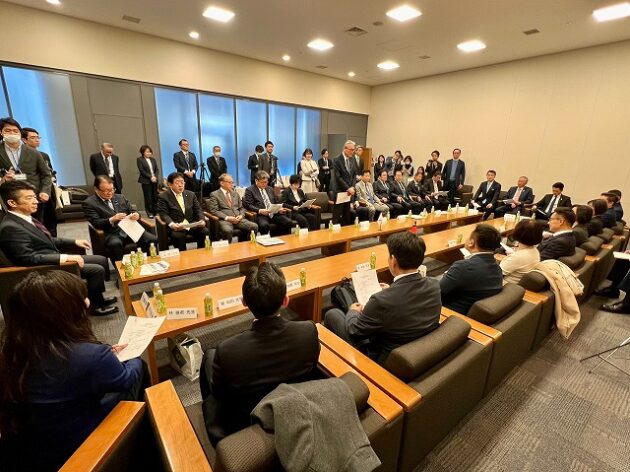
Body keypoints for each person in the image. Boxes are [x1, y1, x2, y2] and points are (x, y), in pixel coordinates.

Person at [0, 271, 146, 472]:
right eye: (81, 298)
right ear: (63, 311)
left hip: (29, 450)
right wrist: (135, 355)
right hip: (78, 449)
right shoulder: (90, 356)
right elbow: (126, 378)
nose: (87, 302)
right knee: (139, 371)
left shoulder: (13, 352)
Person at [199, 262, 320, 443]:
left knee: (209, 356)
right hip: (294, 406)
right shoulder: (308, 331)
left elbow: (219, 394)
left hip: (249, 420)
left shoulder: (227, 350)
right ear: (285, 300)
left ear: (244, 302)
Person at [0, 180, 116, 316]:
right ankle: (95, 307)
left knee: (101, 260)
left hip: (50, 258)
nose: (35, 201)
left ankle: (97, 298)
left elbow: (46, 239)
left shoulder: (25, 218)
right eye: (29, 198)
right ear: (12, 203)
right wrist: (65, 258)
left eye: (34, 197)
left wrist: (74, 241)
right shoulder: (10, 227)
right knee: (96, 270)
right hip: (40, 269)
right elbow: (28, 258)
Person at [323, 231, 441, 364]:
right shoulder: (434, 285)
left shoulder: (381, 300)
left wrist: (353, 311)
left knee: (332, 314)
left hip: (386, 358)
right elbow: (410, 298)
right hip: (420, 349)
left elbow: (354, 330)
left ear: (393, 261)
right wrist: (391, 289)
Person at [82, 175, 158, 265]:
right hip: (111, 233)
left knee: (152, 239)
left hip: (130, 229)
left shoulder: (120, 197)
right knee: (114, 244)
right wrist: (112, 219)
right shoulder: (89, 203)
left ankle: (149, 264)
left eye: (112, 189)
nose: (110, 193)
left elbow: (133, 211)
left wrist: (137, 215)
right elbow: (96, 222)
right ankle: (122, 269)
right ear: (96, 189)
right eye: (106, 190)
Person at [440, 224, 503, 314]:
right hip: (475, 311)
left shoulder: (463, 267)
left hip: (451, 313)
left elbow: (438, 292)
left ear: (471, 243)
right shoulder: (497, 267)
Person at [0, 118, 52, 221]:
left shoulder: (34, 152)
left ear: (20, 133)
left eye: (15, 131)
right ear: (1, 132)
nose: (12, 134)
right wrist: (3, 179)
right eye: (8, 130)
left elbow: (46, 174)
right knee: (14, 226)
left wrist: (45, 191)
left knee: (36, 226)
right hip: (10, 197)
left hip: (33, 196)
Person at [157, 172, 209, 251]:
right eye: (177, 182)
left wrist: (202, 220)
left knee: (204, 231)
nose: (180, 185)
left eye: (182, 182)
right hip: (177, 226)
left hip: (191, 224)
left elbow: (198, 210)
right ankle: (182, 257)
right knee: (178, 236)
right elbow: (163, 214)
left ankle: (202, 254)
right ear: (170, 184)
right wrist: (172, 224)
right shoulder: (163, 196)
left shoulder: (191, 194)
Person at [21, 126, 58, 235]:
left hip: (47, 192)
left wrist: (52, 177)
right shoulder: (20, 156)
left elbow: (49, 171)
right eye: (33, 138)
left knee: (51, 221)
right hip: (32, 193)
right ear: (24, 140)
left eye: (38, 137)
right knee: (37, 223)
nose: (37, 140)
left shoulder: (44, 155)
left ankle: (53, 242)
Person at [207, 173, 258, 242]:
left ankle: (247, 245)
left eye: (232, 182)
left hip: (238, 219)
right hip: (225, 220)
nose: (232, 184)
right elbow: (214, 210)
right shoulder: (214, 194)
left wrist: (241, 215)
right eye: (230, 182)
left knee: (254, 226)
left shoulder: (235, 193)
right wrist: (227, 218)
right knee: (227, 230)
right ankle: (228, 249)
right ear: (222, 183)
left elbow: (241, 208)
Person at [244, 170, 293, 235]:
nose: (265, 184)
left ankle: (281, 239)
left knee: (288, 222)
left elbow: (276, 202)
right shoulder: (250, 190)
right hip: (261, 215)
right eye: (263, 182)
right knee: (264, 226)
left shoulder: (270, 189)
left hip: (274, 213)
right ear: (256, 181)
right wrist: (260, 210)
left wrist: (279, 208)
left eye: (266, 182)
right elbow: (248, 205)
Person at [499, 219, 543, 284]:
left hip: (505, 284)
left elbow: (496, 273)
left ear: (517, 232)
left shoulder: (517, 257)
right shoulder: (535, 251)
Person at [331, 140, 358, 225]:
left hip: (349, 192)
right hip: (340, 191)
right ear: (345, 148)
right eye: (351, 150)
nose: (352, 152)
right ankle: (334, 232)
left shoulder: (352, 159)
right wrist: (348, 188)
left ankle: (345, 232)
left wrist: (352, 187)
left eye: (353, 150)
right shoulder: (336, 160)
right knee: (337, 215)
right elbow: (338, 177)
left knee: (347, 215)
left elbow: (354, 175)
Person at [136, 144, 159, 218]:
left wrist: (155, 177)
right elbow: (142, 171)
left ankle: (156, 212)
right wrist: (151, 177)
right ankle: (150, 212)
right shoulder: (140, 159)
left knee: (155, 197)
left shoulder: (153, 159)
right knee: (148, 197)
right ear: (143, 152)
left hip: (154, 180)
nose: (149, 153)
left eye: (150, 152)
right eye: (147, 152)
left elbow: (157, 169)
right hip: (146, 181)